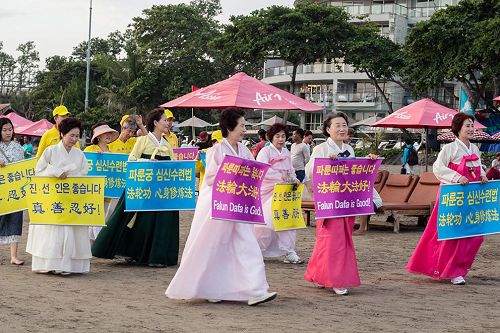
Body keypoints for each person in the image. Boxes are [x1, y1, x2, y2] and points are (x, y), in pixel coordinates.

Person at [166, 108, 277, 306]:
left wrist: (273, 175)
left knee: (246, 243)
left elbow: (254, 173)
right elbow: (209, 178)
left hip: (239, 205)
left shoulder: (244, 150)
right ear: (229, 127)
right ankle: (213, 287)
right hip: (219, 206)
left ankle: (256, 289)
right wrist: (232, 171)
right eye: (242, 125)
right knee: (215, 246)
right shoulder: (216, 150)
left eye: (245, 125)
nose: (244, 129)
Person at [407, 113, 488, 285]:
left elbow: (479, 168)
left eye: (472, 125)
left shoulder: (474, 149)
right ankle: (451, 270)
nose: (471, 129)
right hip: (453, 196)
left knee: (474, 235)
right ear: (458, 129)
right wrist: (457, 177)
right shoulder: (449, 148)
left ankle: (459, 267)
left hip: (471, 197)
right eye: (467, 125)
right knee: (451, 232)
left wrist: (482, 176)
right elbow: (438, 168)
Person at [92, 108, 179, 267]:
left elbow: (173, 165)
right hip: (143, 187)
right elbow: (131, 161)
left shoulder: (167, 144)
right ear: (155, 123)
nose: (168, 123)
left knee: (159, 221)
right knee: (139, 221)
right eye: (165, 120)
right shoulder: (143, 141)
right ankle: (134, 253)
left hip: (160, 191)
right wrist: (147, 163)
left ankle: (156, 256)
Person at [304, 112, 378, 295]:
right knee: (330, 240)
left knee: (341, 240)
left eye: (344, 125)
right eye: (337, 125)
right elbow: (310, 171)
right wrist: (327, 162)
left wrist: (368, 162)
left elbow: (353, 173)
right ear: (328, 129)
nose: (342, 128)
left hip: (346, 202)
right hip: (329, 202)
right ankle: (334, 279)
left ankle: (321, 275)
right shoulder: (320, 149)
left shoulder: (349, 149)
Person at [26, 118, 91, 275]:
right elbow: (39, 170)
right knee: (53, 230)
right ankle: (49, 263)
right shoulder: (50, 151)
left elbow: (84, 173)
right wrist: (55, 172)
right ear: (62, 134)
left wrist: (73, 175)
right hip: (53, 199)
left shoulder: (80, 154)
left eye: (77, 136)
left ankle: (69, 266)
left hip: (71, 198)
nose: (75, 139)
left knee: (71, 230)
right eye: (71, 135)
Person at [255, 123, 303, 264]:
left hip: (285, 190)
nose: (281, 139)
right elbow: (262, 169)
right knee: (266, 222)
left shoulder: (286, 152)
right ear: (270, 137)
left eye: (283, 136)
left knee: (286, 220)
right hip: (269, 190)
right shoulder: (265, 151)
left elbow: (290, 169)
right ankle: (257, 250)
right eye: (277, 136)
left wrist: (294, 179)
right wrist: (279, 178)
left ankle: (289, 251)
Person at [84, 123, 119, 243]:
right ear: (98, 137)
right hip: (93, 190)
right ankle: (101, 243)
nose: (108, 135)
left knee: (100, 215)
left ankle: (91, 244)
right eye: (105, 133)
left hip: (107, 190)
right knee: (97, 217)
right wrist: (95, 158)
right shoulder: (90, 150)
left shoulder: (112, 152)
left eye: (109, 133)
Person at [0, 118, 25, 265]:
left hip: (15, 190)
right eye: (4, 130)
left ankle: (14, 256)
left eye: (10, 129)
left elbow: (23, 167)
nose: (8, 132)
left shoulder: (18, 147)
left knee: (15, 220)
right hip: (1, 190)